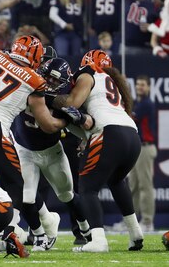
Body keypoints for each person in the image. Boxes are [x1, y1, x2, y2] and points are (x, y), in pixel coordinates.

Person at [0, 35, 92, 242]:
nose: (50, 82)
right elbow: (49, 125)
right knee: (18, 188)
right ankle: (34, 232)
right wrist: (67, 121)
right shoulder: (35, 81)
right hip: (3, 135)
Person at [52, 50, 143, 252]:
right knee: (117, 181)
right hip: (131, 136)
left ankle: (98, 240)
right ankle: (135, 233)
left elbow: (71, 104)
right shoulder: (114, 82)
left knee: (87, 187)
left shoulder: (88, 72)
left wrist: (52, 98)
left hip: (110, 133)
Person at [12, 57, 90, 251]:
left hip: (52, 152)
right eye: (49, 77)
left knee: (67, 195)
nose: (51, 83)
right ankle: (39, 236)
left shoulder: (63, 101)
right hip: (26, 151)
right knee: (27, 197)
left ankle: (86, 231)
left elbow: (80, 125)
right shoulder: (28, 89)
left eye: (56, 81)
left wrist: (85, 137)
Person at [129, 75, 157, 232]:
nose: (140, 87)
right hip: (137, 148)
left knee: (145, 186)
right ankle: (131, 222)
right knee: (133, 185)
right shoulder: (139, 103)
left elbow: (131, 116)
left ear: (148, 87)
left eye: (143, 85)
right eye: (138, 84)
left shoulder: (147, 104)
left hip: (145, 148)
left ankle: (147, 221)